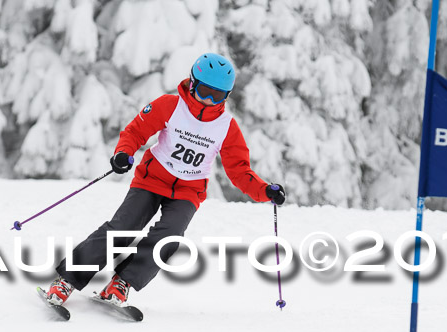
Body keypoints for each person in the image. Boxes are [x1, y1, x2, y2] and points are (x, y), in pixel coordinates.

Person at [44, 53, 286, 306]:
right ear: (192, 83)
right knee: (121, 229)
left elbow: (239, 170)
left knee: (169, 237)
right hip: (151, 180)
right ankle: (66, 281)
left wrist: (264, 191)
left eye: (218, 96)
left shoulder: (226, 126)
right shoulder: (170, 105)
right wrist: (123, 154)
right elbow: (136, 131)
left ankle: (121, 283)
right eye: (204, 91)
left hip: (188, 191)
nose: (209, 100)